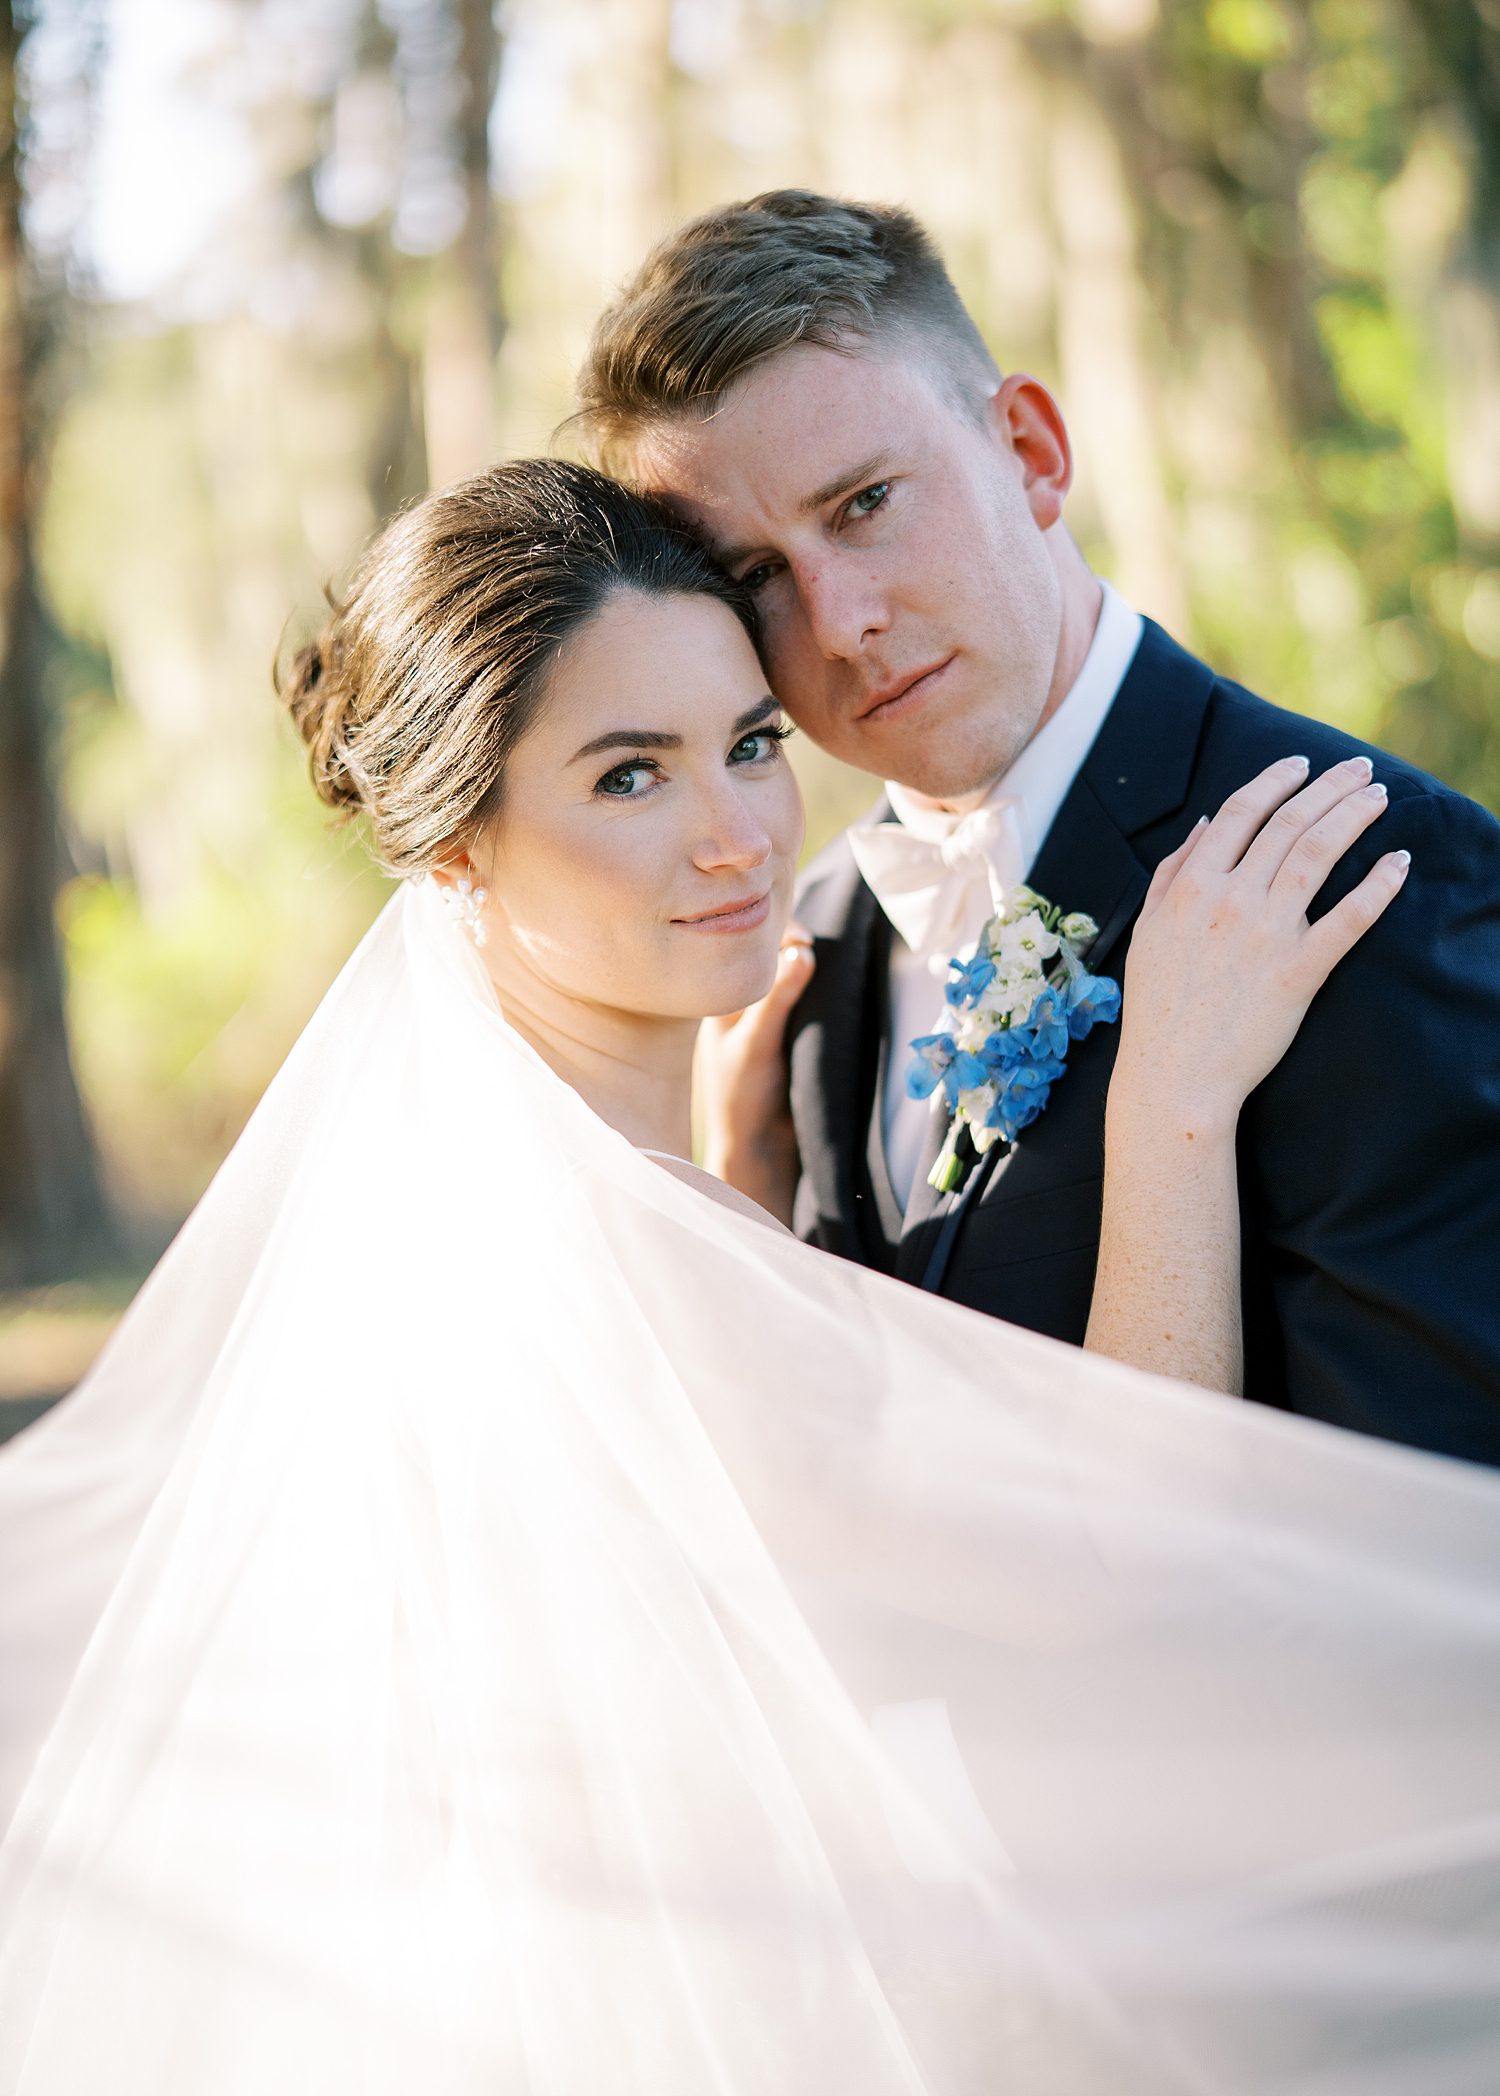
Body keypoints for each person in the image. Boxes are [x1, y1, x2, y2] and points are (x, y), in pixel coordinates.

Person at [0, 461, 1496, 2094]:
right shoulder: (642, 1270)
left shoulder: (531, 1229)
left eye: (751, 743)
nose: (734, 835)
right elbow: (1120, 1571)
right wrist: (1176, 1100)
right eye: (628, 775)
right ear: (456, 855)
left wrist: (734, 1194)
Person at [574, 189, 1500, 1467]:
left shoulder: (1365, 878)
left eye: (863, 504)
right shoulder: (804, 949)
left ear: (1032, 450)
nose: (841, 621)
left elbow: (1431, 1546)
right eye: (754, 575)